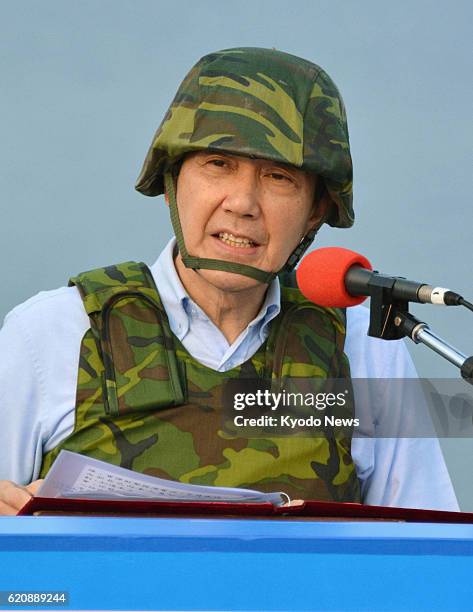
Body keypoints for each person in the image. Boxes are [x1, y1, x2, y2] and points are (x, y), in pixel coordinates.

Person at [0, 47, 458, 515]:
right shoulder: (51, 333)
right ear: (172, 181)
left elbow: (427, 552)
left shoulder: (365, 344)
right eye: (218, 165)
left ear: (315, 212)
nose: (242, 203)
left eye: (278, 177)